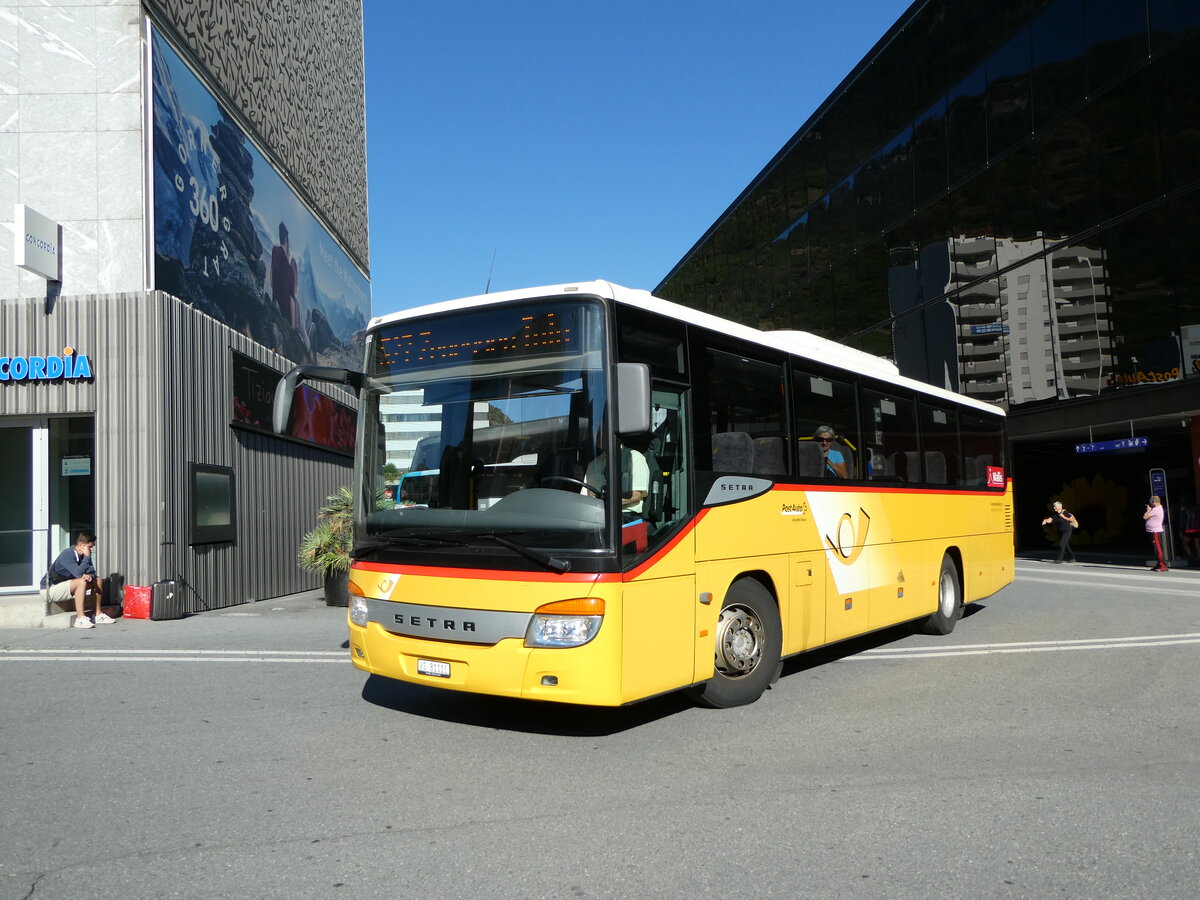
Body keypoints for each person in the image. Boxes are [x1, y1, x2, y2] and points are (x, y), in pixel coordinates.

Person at [42, 531, 111, 628]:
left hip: (66, 585)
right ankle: (80, 619)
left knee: (98, 579)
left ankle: (97, 615)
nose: (92, 549)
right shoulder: (68, 554)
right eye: (90, 546)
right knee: (81, 582)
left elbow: (92, 572)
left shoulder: (84, 555)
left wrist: (90, 576)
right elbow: (78, 574)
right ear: (81, 545)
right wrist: (87, 557)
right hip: (50, 589)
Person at [583, 441, 650, 518]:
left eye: (605, 431)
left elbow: (635, 495)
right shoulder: (593, 464)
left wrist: (607, 503)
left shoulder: (633, 457)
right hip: (596, 516)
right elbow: (585, 497)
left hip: (626, 517)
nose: (601, 437)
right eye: (598, 432)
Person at [1143, 495, 1168, 572]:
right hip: (1153, 531)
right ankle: (1159, 564)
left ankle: (1162, 565)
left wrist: (1148, 510)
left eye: (1151, 501)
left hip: (1155, 531)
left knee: (1158, 549)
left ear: (1154, 502)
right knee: (1156, 549)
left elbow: (1145, 517)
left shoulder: (1156, 509)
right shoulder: (1157, 508)